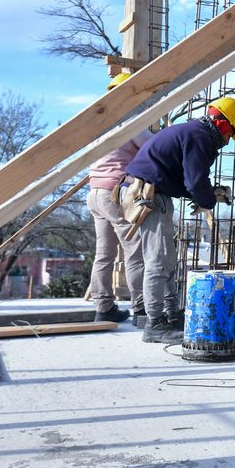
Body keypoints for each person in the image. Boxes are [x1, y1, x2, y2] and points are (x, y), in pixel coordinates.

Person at [123, 96, 235, 344]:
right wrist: (208, 199)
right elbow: (194, 180)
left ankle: (170, 315)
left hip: (154, 194)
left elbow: (188, 177)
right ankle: (154, 324)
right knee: (158, 261)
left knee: (166, 259)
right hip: (149, 197)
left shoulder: (192, 132)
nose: (226, 142)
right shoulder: (199, 137)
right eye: (229, 135)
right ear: (223, 125)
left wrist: (207, 193)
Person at [86, 71, 149, 323]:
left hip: (95, 194)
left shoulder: (99, 122)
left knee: (104, 253)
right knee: (135, 251)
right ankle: (143, 309)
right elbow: (151, 145)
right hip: (116, 193)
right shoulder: (128, 121)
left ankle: (103, 307)